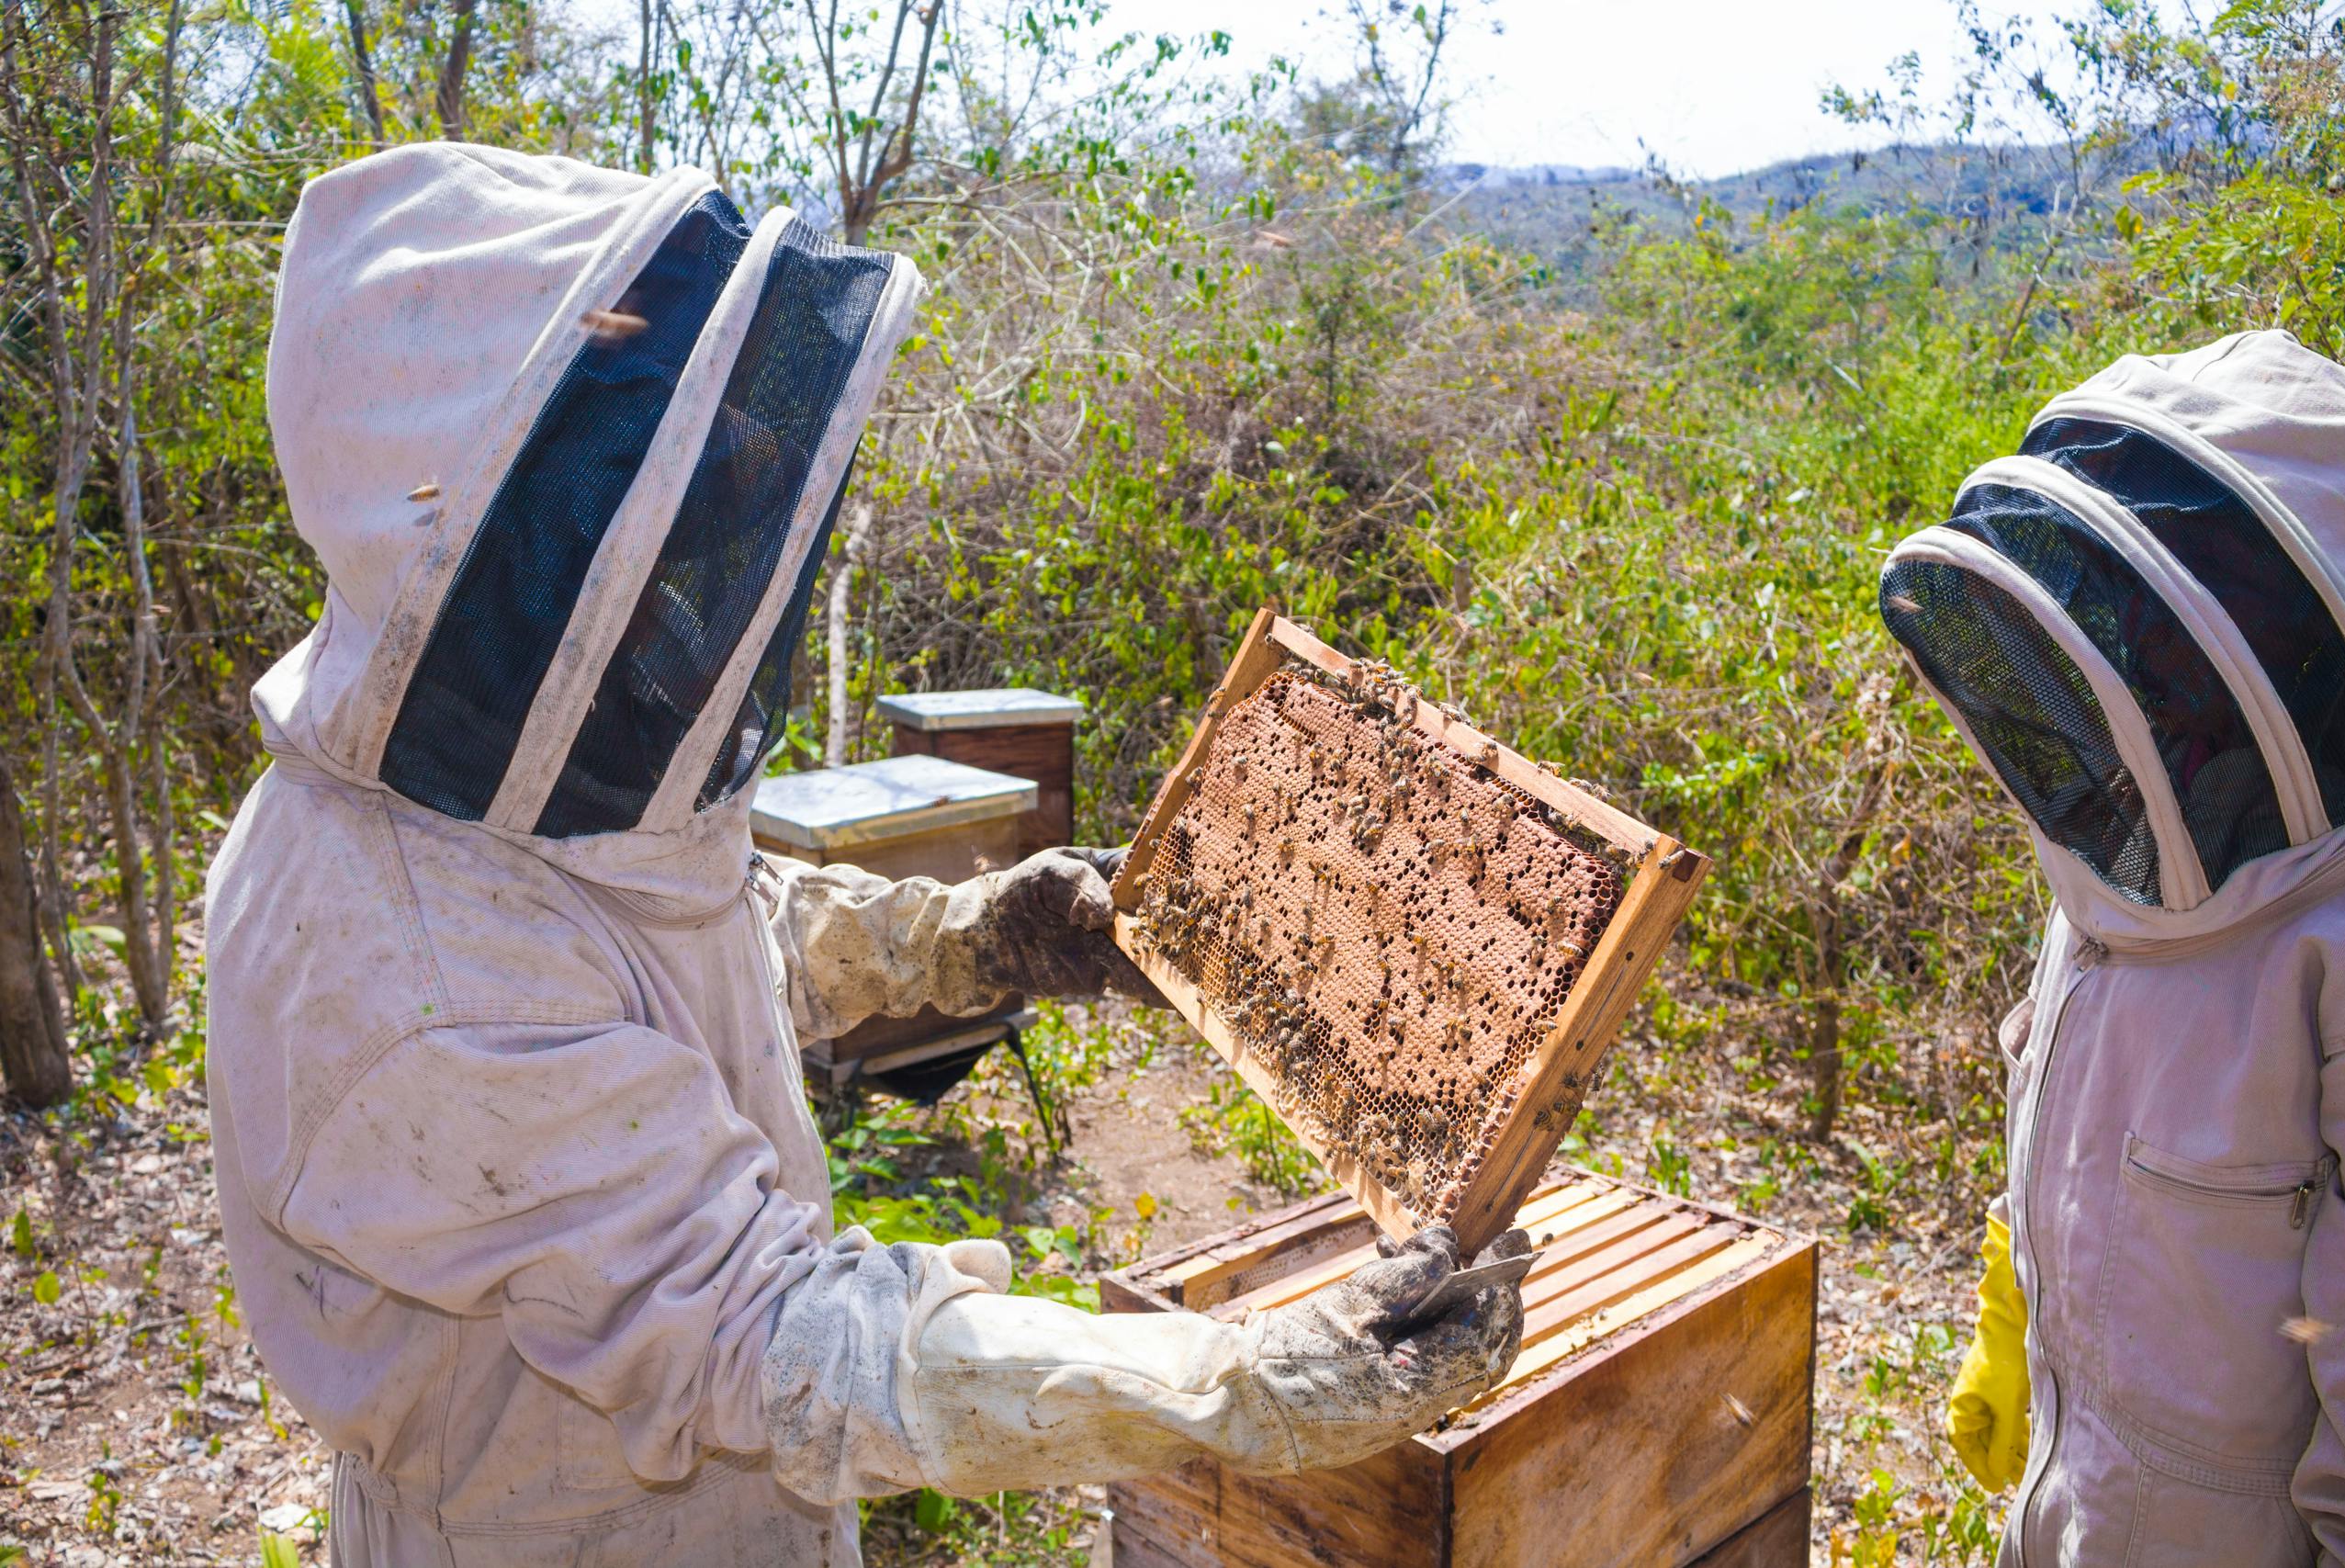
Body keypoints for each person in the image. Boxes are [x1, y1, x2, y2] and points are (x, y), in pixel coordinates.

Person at [204, 143, 1523, 1566]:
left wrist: (965, 938)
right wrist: (1237, 1388)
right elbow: (765, 1338)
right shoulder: (394, 967)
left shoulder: (531, 803)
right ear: (511, 546)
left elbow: (699, 940)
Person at [1879, 328, 2345, 1564]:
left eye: (2172, 654)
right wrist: (2008, 1290)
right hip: (2074, 1495)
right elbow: (2063, 1104)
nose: (2145, 695)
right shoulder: (2118, 856)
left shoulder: (2330, 952)